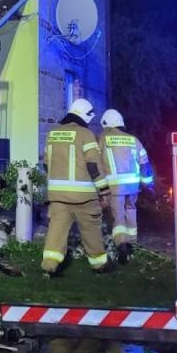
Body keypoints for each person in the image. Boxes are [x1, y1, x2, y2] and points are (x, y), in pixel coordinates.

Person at [41, 98, 112, 276]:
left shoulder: (53, 133)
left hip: (57, 196)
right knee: (91, 231)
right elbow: (93, 166)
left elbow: (46, 164)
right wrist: (104, 191)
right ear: (86, 115)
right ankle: (99, 266)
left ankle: (49, 266)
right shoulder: (85, 134)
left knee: (56, 232)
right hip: (84, 197)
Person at [97, 108, 154, 264]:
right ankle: (132, 243)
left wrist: (99, 187)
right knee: (131, 211)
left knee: (118, 215)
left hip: (115, 187)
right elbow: (145, 164)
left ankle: (121, 244)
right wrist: (148, 185)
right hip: (133, 186)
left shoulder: (102, 139)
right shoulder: (133, 139)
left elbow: (96, 163)